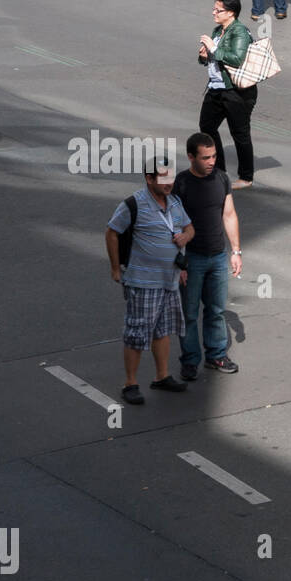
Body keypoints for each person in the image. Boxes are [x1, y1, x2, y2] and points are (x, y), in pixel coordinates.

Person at [105, 159, 195, 405]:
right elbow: (112, 232)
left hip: (169, 280)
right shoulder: (134, 204)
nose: (169, 183)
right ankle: (130, 383)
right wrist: (115, 268)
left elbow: (190, 228)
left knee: (162, 330)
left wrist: (185, 237)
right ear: (149, 179)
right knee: (137, 332)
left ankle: (162, 376)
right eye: (163, 178)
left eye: (171, 178)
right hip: (143, 281)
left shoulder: (175, 203)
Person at [173, 133, 242, 381]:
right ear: (191, 157)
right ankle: (190, 361)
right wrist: (178, 263)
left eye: (213, 156)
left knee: (216, 311)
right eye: (206, 158)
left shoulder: (221, 178)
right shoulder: (180, 184)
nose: (212, 161)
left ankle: (216, 355)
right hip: (191, 259)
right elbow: (173, 226)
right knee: (189, 314)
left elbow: (229, 214)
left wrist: (235, 251)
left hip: (217, 256)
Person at [198, 0, 257, 189]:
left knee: (239, 133)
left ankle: (246, 177)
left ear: (230, 13)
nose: (214, 12)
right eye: (214, 8)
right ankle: (219, 170)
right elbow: (212, 57)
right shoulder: (218, 30)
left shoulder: (239, 32)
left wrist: (213, 49)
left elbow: (236, 59)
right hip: (216, 88)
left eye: (218, 10)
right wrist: (205, 55)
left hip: (236, 92)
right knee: (206, 126)